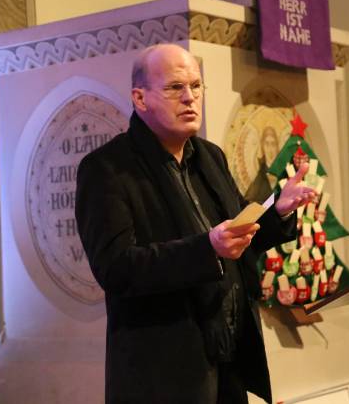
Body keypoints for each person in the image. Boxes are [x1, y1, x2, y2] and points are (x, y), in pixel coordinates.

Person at [75, 43, 315, 404]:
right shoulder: (107, 169)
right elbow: (116, 267)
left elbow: (235, 233)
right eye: (175, 88)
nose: (190, 97)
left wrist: (277, 211)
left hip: (228, 359)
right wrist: (207, 249)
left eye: (196, 86)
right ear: (140, 98)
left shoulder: (209, 156)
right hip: (165, 371)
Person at [244, 126, 280, 203]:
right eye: (267, 144)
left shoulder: (284, 173)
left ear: (277, 147)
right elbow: (249, 202)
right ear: (262, 147)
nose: (270, 150)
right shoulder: (260, 178)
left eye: (273, 144)